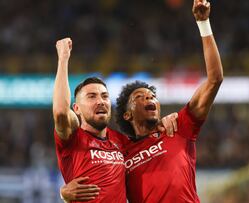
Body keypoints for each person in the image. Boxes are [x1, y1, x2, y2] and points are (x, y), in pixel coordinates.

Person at [61, 0, 223, 202]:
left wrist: (203, 23)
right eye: (139, 97)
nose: (149, 97)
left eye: (152, 96)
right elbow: (92, 167)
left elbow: (215, 79)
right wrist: (64, 192)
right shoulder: (118, 148)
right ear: (127, 114)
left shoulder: (179, 128)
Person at [53, 39, 178, 203]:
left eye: (104, 96)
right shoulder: (73, 137)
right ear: (76, 109)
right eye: (91, 96)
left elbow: (149, 136)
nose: (100, 101)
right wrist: (63, 58)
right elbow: (61, 112)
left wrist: (167, 119)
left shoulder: (122, 141)